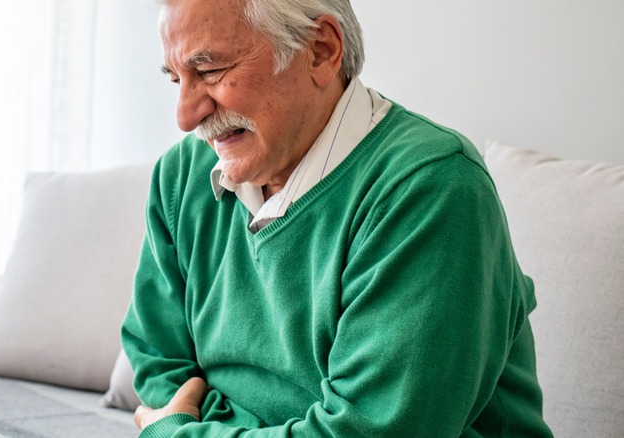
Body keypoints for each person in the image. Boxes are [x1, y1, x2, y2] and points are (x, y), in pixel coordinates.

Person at [121, 0, 554, 436]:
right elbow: (156, 361)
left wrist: (180, 432)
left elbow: (375, 430)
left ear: (321, 50)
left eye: (210, 71)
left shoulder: (430, 188)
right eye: (177, 79)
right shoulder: (181, 177)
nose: (185, 115)